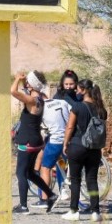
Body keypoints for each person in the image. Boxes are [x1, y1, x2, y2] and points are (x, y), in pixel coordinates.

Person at [11, 71, 59, 215]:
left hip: (27, 141)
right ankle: (50, 195)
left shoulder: (31, 101)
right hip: (37, 141)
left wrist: (17, 80)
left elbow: (13, 91)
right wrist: (26, 85)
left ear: (31, 84)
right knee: (31, 172)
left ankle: (23, 206)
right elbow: (30, 93)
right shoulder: (41, 99)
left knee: (21, 172)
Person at [31, 69, 79, 209]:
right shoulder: (65, 97)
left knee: (46, 165)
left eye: (71, 84)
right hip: (68, 135)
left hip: (61, 136)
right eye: (66, 84)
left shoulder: (68, 98)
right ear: (62, 84)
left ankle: (45, 198)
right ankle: (62, 189)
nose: (69, 86)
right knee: (60, 163)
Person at [61, 79, 107, 222]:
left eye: (78, 89)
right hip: (94, 148)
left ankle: (74, 210)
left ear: (84, 90)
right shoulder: (101, 109)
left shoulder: (77, 107)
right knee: (92, 179)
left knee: (75, 180)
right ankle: (95, 212)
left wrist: (65, 143)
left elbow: (70, 127)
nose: (76, 91)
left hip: (77, 145)